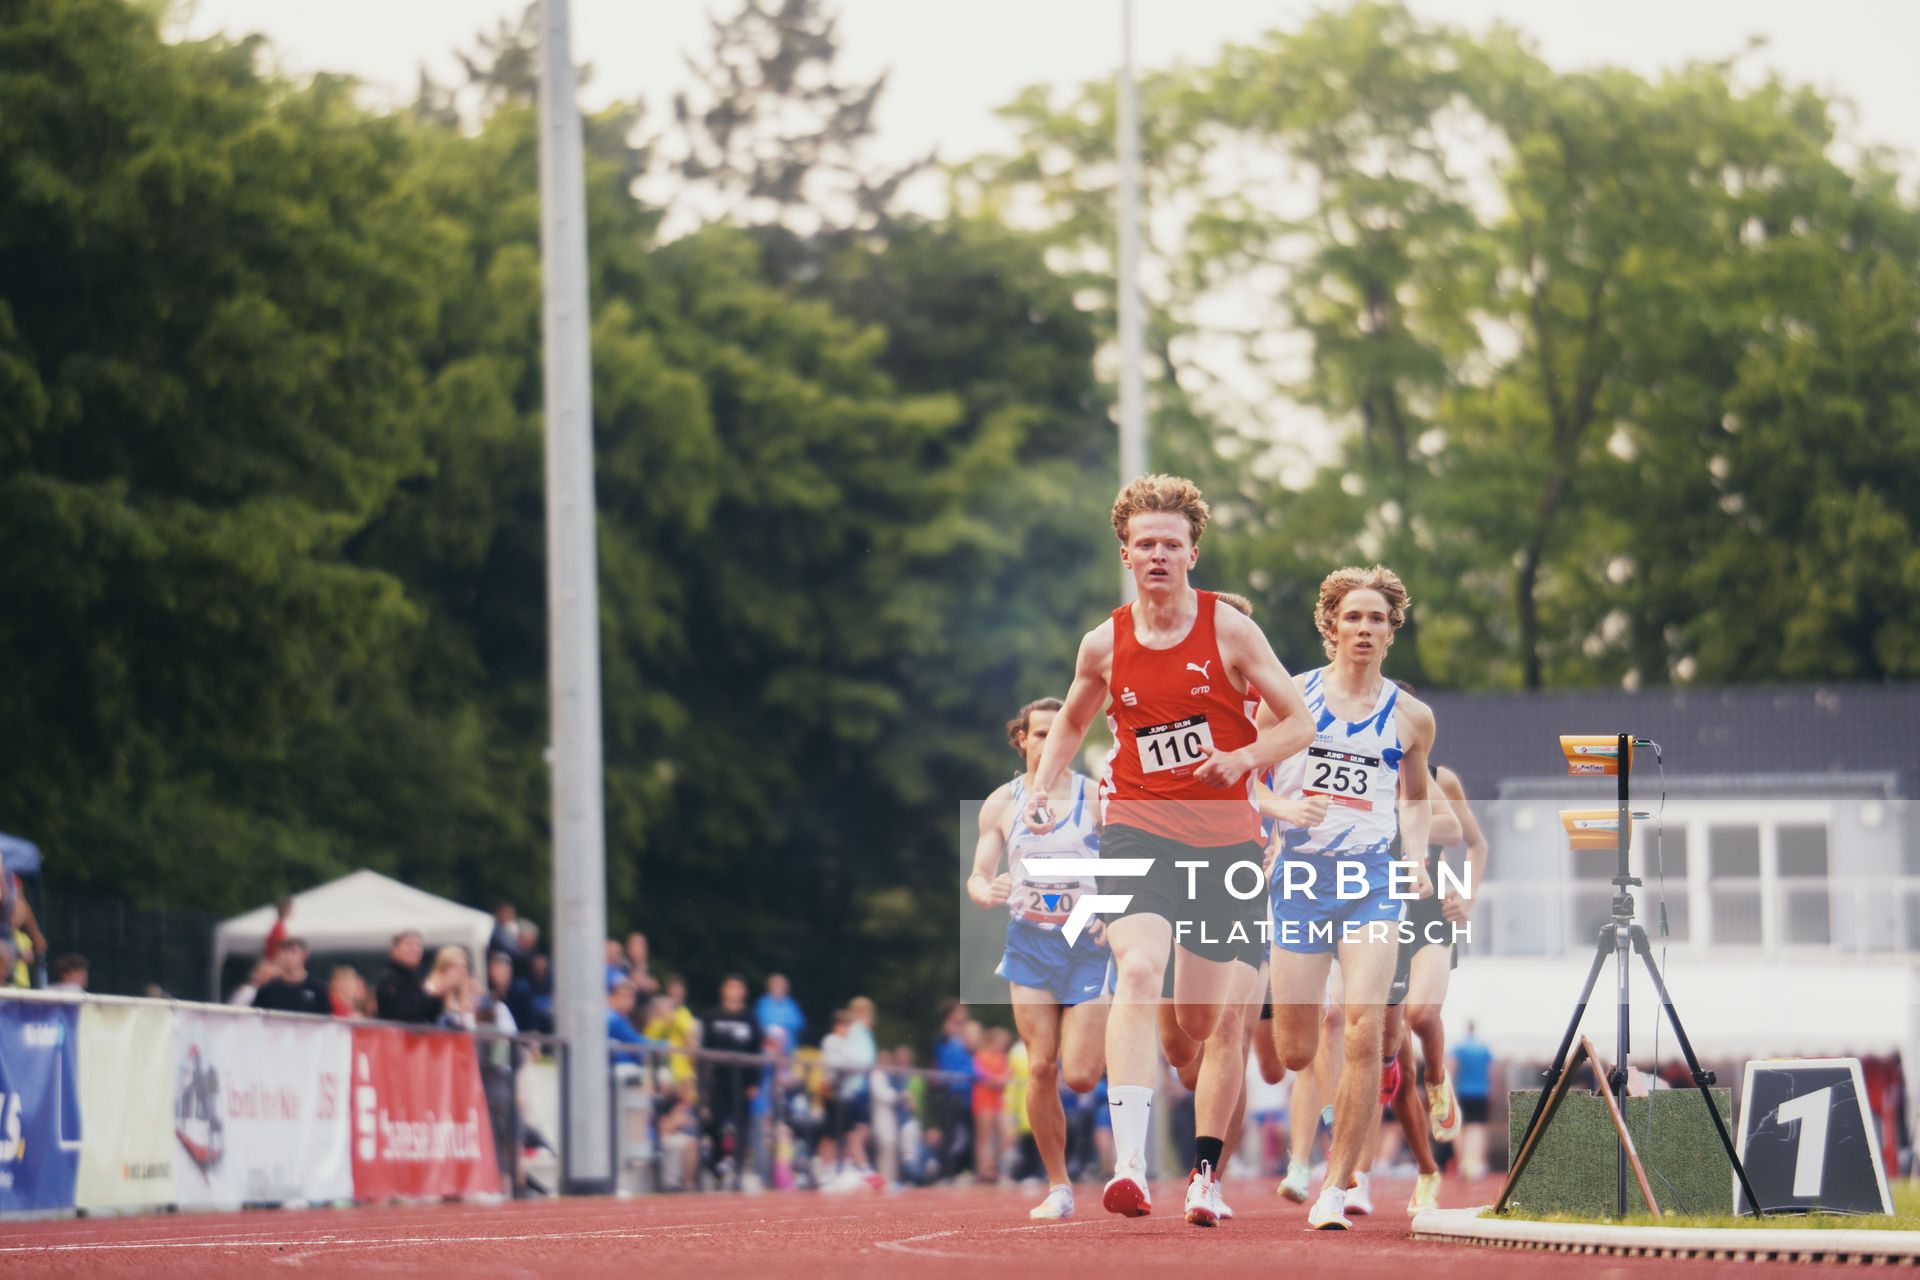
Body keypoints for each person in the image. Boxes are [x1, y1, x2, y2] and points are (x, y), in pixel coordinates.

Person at [1021, 474, 1315, 1226]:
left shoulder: (1230, 630)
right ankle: (1129, 1168)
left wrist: (1242, 759)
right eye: (1145, 544)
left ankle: (1204, 1173)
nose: (1158, 555)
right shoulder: (1103, 643)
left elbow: (1298, 723)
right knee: (1138, 969)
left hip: (1224, 842)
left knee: (1201, 1027)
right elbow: (1072, 721)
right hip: (1136, 829)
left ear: (1192, 554)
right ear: (1125, 553)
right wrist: (1042, 789)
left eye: (1171, 544)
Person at [1259, 565, 1437, 1230]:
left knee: (1364, 1029)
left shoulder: (1412, 717)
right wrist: (1284, 811)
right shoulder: (1290, 697)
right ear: (1331, 625)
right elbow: (1246, 780)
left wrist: (1415, 858)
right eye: (1353, 617)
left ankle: (1336, 1186)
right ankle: (1332, 1117)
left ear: (1393, 632)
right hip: (1301, 879)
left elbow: (1415, 798)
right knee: (1296, 1050)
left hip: (1372, 881)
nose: (1364, 628)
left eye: (1377, 619)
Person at [967, 695, 1111, 1219]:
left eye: (1062, 732)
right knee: (1042, 1066)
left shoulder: (1096, 797)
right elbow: (979, 874)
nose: (1052, 742)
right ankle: (1058, 1186)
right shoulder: (1001, 803)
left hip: (1086, 942)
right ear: (1022, 739)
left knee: (1081, 1074)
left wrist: (1113, 911)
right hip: (1030, 942)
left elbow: (1136, 864)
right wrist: (985, 889)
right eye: (1042, 733)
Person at [700, 974, 762, 1186]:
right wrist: (703, 1083)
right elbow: (705, 1050)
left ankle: (736, 1168)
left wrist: (754, 1082)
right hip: (718, 1079)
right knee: (716, 1124)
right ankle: (718, 1165)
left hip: (742, 1081)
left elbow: (756, 1051)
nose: (734, 992)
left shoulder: (750, 1018)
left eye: (738, 988)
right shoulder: (712, 1017)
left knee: (740, 1125)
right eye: (731, 987)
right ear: (723, 990)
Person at [932, 1000, 977, 1178]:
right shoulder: (944, 1036)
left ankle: (963, 1170)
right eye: (960, 1012)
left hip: (967, 1092)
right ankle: (946, 1173)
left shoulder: (963, 1036)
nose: (964, 1015)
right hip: (951, 1091)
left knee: (969, 1134)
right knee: (949, 1135)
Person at [1450, 1023, 1495, 1179]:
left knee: (1459, 1128)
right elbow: (1491, 1071)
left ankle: (1462, 1163)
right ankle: (1476, 1163)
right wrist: (1491, 1088)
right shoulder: (1484, 1048)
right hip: (1480, 1092)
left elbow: (1452, 1068)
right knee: (1478, 1128)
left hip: (1461, 1092)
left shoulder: (1458, 1047)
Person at [376, 930, 444, 1024]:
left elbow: (430, 1016)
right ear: (394, 949)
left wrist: (438, 997)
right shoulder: (389, 978)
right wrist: (429, 996)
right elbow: (405, 1014)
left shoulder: (416, 978)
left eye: (418, 945)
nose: (414, 949)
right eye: (408, 945)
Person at [252, 938, 330, 1015]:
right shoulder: (268, 990)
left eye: (292, 952)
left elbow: (327, 1017)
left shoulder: (318, 988)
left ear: (305, 955)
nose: (288, 957)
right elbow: (255, 1015)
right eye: (284, 952)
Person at [430, 947, 477, 1029]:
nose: (462, 971)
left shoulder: (466, 988)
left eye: (464, 967)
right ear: (444, 969)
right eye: (456, 967)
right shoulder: (432, 990)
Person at [755, 973, 806, 1048]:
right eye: (775, 984)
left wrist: (782, 1029)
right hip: (767, 1045)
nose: (778, 987)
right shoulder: (762, 1003)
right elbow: (758, 1022)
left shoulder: (791, 1004)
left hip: (788, 1046)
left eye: (781, 985)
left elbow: (799, 1023)